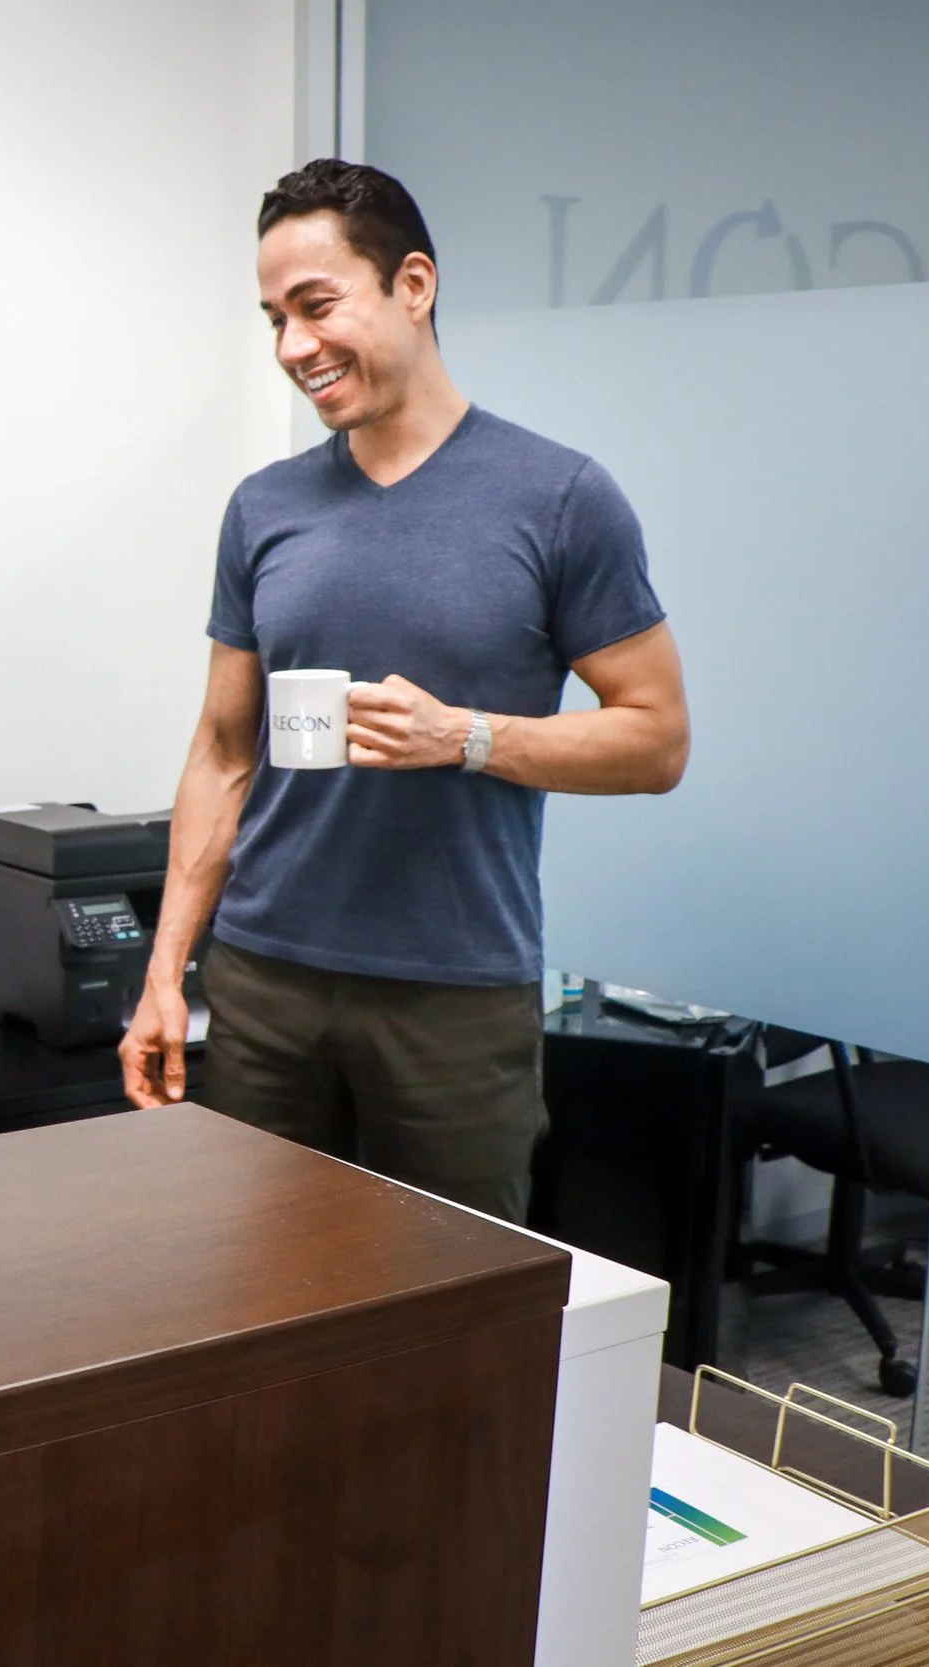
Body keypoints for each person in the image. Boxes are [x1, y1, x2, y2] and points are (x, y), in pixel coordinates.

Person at [118, 159, 691, 1224]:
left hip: (453, 994)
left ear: (413, 285)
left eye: (317, 305)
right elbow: (224, 751)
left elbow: (657, 741)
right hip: (265, 982)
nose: (293, 346)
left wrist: (465, 736)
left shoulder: (561, 498)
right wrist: (165, 973)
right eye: (275, 318)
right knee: (264, 1290)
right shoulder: (264, 508)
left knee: (454, 1295)